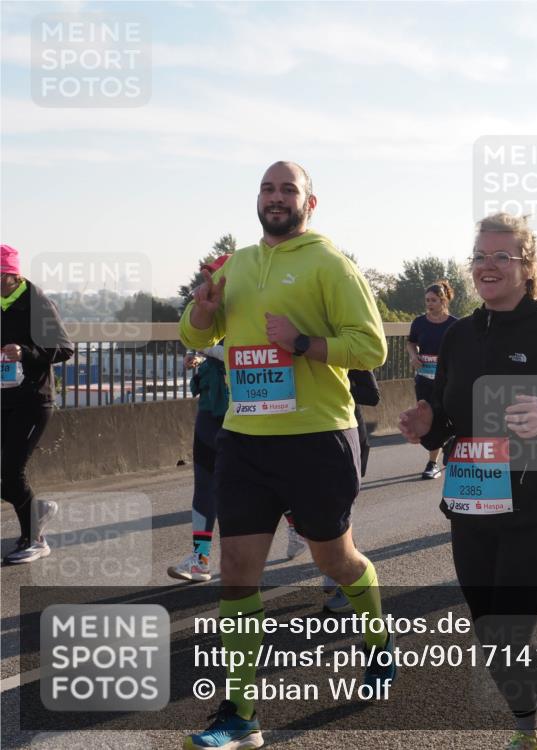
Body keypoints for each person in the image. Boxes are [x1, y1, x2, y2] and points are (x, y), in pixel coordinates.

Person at [179, 161, 393, 749]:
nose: (277, 198)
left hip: (317, 438)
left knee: (335, 560)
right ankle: (241, 713)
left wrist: (300, 344)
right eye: (268, 189)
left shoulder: (330, 263)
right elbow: (195, 337)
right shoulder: (237, 264)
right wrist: (201, 307)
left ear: (309, 202)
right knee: (236, 571)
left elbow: (371, 347)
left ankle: (377, 639)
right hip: (245, 439)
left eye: (288, 190)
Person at [399, 213, 537, 750]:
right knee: (488, 633)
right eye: (479, 256)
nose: (488, 266)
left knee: (507, 632)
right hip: (473, 501)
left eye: (502, 257)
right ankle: (528, 723)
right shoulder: (460, 337)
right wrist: (428, 427)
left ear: (526, 265)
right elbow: (449, 420)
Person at [1, 244, 73, 564]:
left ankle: (36, 539)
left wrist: (26, 353)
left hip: (33, 399)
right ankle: (36, 510)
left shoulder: (36, 303)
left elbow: (64, 348)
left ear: (10, 276)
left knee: (11, 471)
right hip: (4, 396)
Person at [168, 256, 232, 582]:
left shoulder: (254, 310)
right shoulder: (205, 311)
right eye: (208, 276)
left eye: (215, 275)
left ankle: (298, 528)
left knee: (270, 489)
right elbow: (198, 341)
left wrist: (205, 351)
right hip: (210, 412)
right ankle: (200, 559)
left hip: (248, 416)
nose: (209, 282)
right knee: (204, 486)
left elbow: (237, 353)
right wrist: (196, 356)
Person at [322, 369, 380, 613]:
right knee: (323, 509)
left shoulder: (347, 349)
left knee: (340, 510)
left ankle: (346, 582)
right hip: (309, 436)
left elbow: (372, 395)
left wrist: (336, 383)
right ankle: (335, 569)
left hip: (347, 436)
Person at [406, 280, 458, 479]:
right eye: (427, 300)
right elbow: (411, 342)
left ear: (443, 300)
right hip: (424, 380)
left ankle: (447, 442)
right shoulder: (419, 322)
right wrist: (414, 355)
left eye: (434, 300)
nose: (429, 304)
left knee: (446, 415)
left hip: (447, 380)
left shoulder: (454, 324)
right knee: (429, 416)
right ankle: (432, 463)